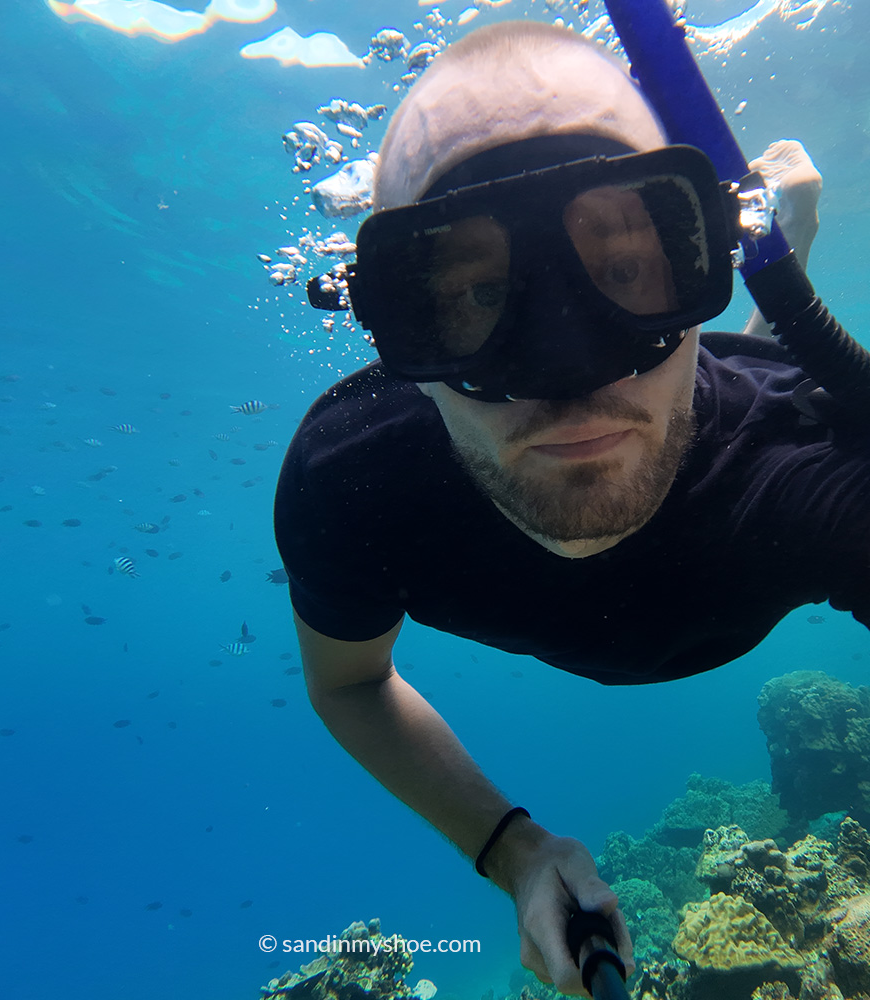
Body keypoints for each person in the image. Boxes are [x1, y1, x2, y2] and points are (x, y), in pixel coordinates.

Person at [274, 19, 864, 997]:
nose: (568, 372)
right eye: (473, 296)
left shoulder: (805, 465)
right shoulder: (355, 483)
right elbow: (349, 684)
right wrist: (512, 850)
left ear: (708, 255)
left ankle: (776, 254)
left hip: (741, 404)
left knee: (749, 383)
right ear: (388, 320)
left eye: (627, 269)